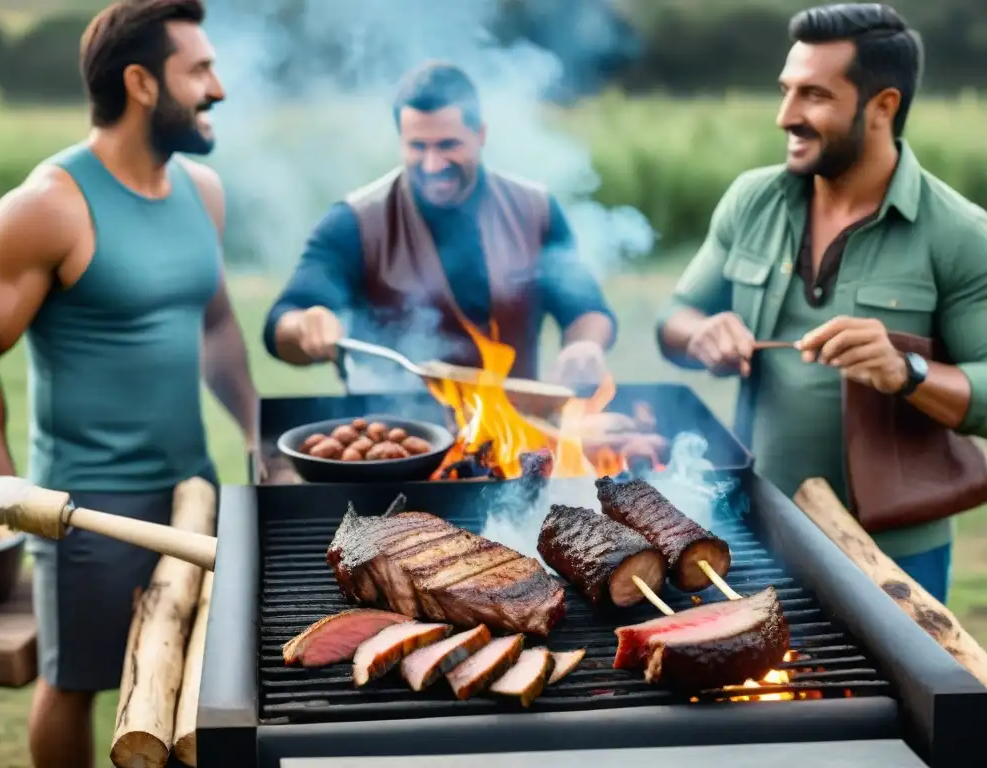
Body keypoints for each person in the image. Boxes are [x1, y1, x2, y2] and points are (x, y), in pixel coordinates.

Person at [0, 2, 258, 766]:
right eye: (199, 70)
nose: (217, 87)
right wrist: (5, 482)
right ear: (141, 83)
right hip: (83, 509)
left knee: (192, 687)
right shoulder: (49, 204)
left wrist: (257, 435)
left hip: (193, 492)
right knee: (77, 683)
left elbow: (218, 324)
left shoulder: (204, 192)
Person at [655, 3, 987, 604]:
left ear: (882, 106)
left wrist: (905, 371)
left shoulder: (960, 233)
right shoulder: (750, 199)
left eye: (814, 96)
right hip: (755, 529)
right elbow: (674, 318)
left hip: (896, 551)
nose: (786, 116)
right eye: (786, 91)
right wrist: (700, 333)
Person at [263, 61, 618, 392]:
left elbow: (586, 307)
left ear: (480, 134)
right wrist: (305, 326)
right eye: (418, 146)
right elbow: (283, 321)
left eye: (448, 145)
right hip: (393, 437)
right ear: (400, 140)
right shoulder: (354, 221)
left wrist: (585, 344)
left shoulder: (535, 210)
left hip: (511, 436)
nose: (432, 165)